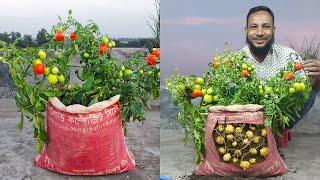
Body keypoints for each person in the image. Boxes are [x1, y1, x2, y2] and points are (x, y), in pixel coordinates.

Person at [240, 6, 319, 129]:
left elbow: (304, 95)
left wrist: (316, 77)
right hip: (244, 126)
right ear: (246, 31)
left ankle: (276, 134)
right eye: (254, 27)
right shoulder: (235, 61)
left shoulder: (289, 56)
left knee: (313, 87)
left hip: (281, 122)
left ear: (274, 30)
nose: (260, 33)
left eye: (266, 27)